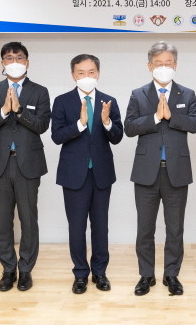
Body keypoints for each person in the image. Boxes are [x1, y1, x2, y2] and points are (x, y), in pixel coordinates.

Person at [124, 41, 196, 296]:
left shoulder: (187, 94)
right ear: (150, 66)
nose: (164, 67)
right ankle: (146, 275)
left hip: (176, 171)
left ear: (175, 65)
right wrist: (156, 117)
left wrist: (171, 117)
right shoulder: (138, 94)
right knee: (145, 229)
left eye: (168, 63)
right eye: (159, 63)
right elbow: (129, 127)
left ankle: (172, 275)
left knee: (175, 229)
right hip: (146, 171)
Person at [0, 41, 51, 292]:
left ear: (27, 62)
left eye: (19, 58)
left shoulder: (40, 91)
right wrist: (3, 111)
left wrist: (19, 111)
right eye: (9, 58)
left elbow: (42, 125)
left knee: (29, 219)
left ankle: (26, 269)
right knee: (2, 220)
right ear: (3, 63)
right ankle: (8, 269)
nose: (14, 62)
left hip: (28, 164)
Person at [51, 54, 123, 294]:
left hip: (101, 173)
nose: (86, 76)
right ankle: (80, 274)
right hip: (74, 174)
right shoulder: (62, 101)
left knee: (101, 227)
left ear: (98, 73)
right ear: (73, 75)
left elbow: (118, 136)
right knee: (77, 227)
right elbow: (56, 136)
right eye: (81, 72)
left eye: (91, 72)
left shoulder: (108, 101)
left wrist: (107, 122)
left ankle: (100, 272)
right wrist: (80, 124)